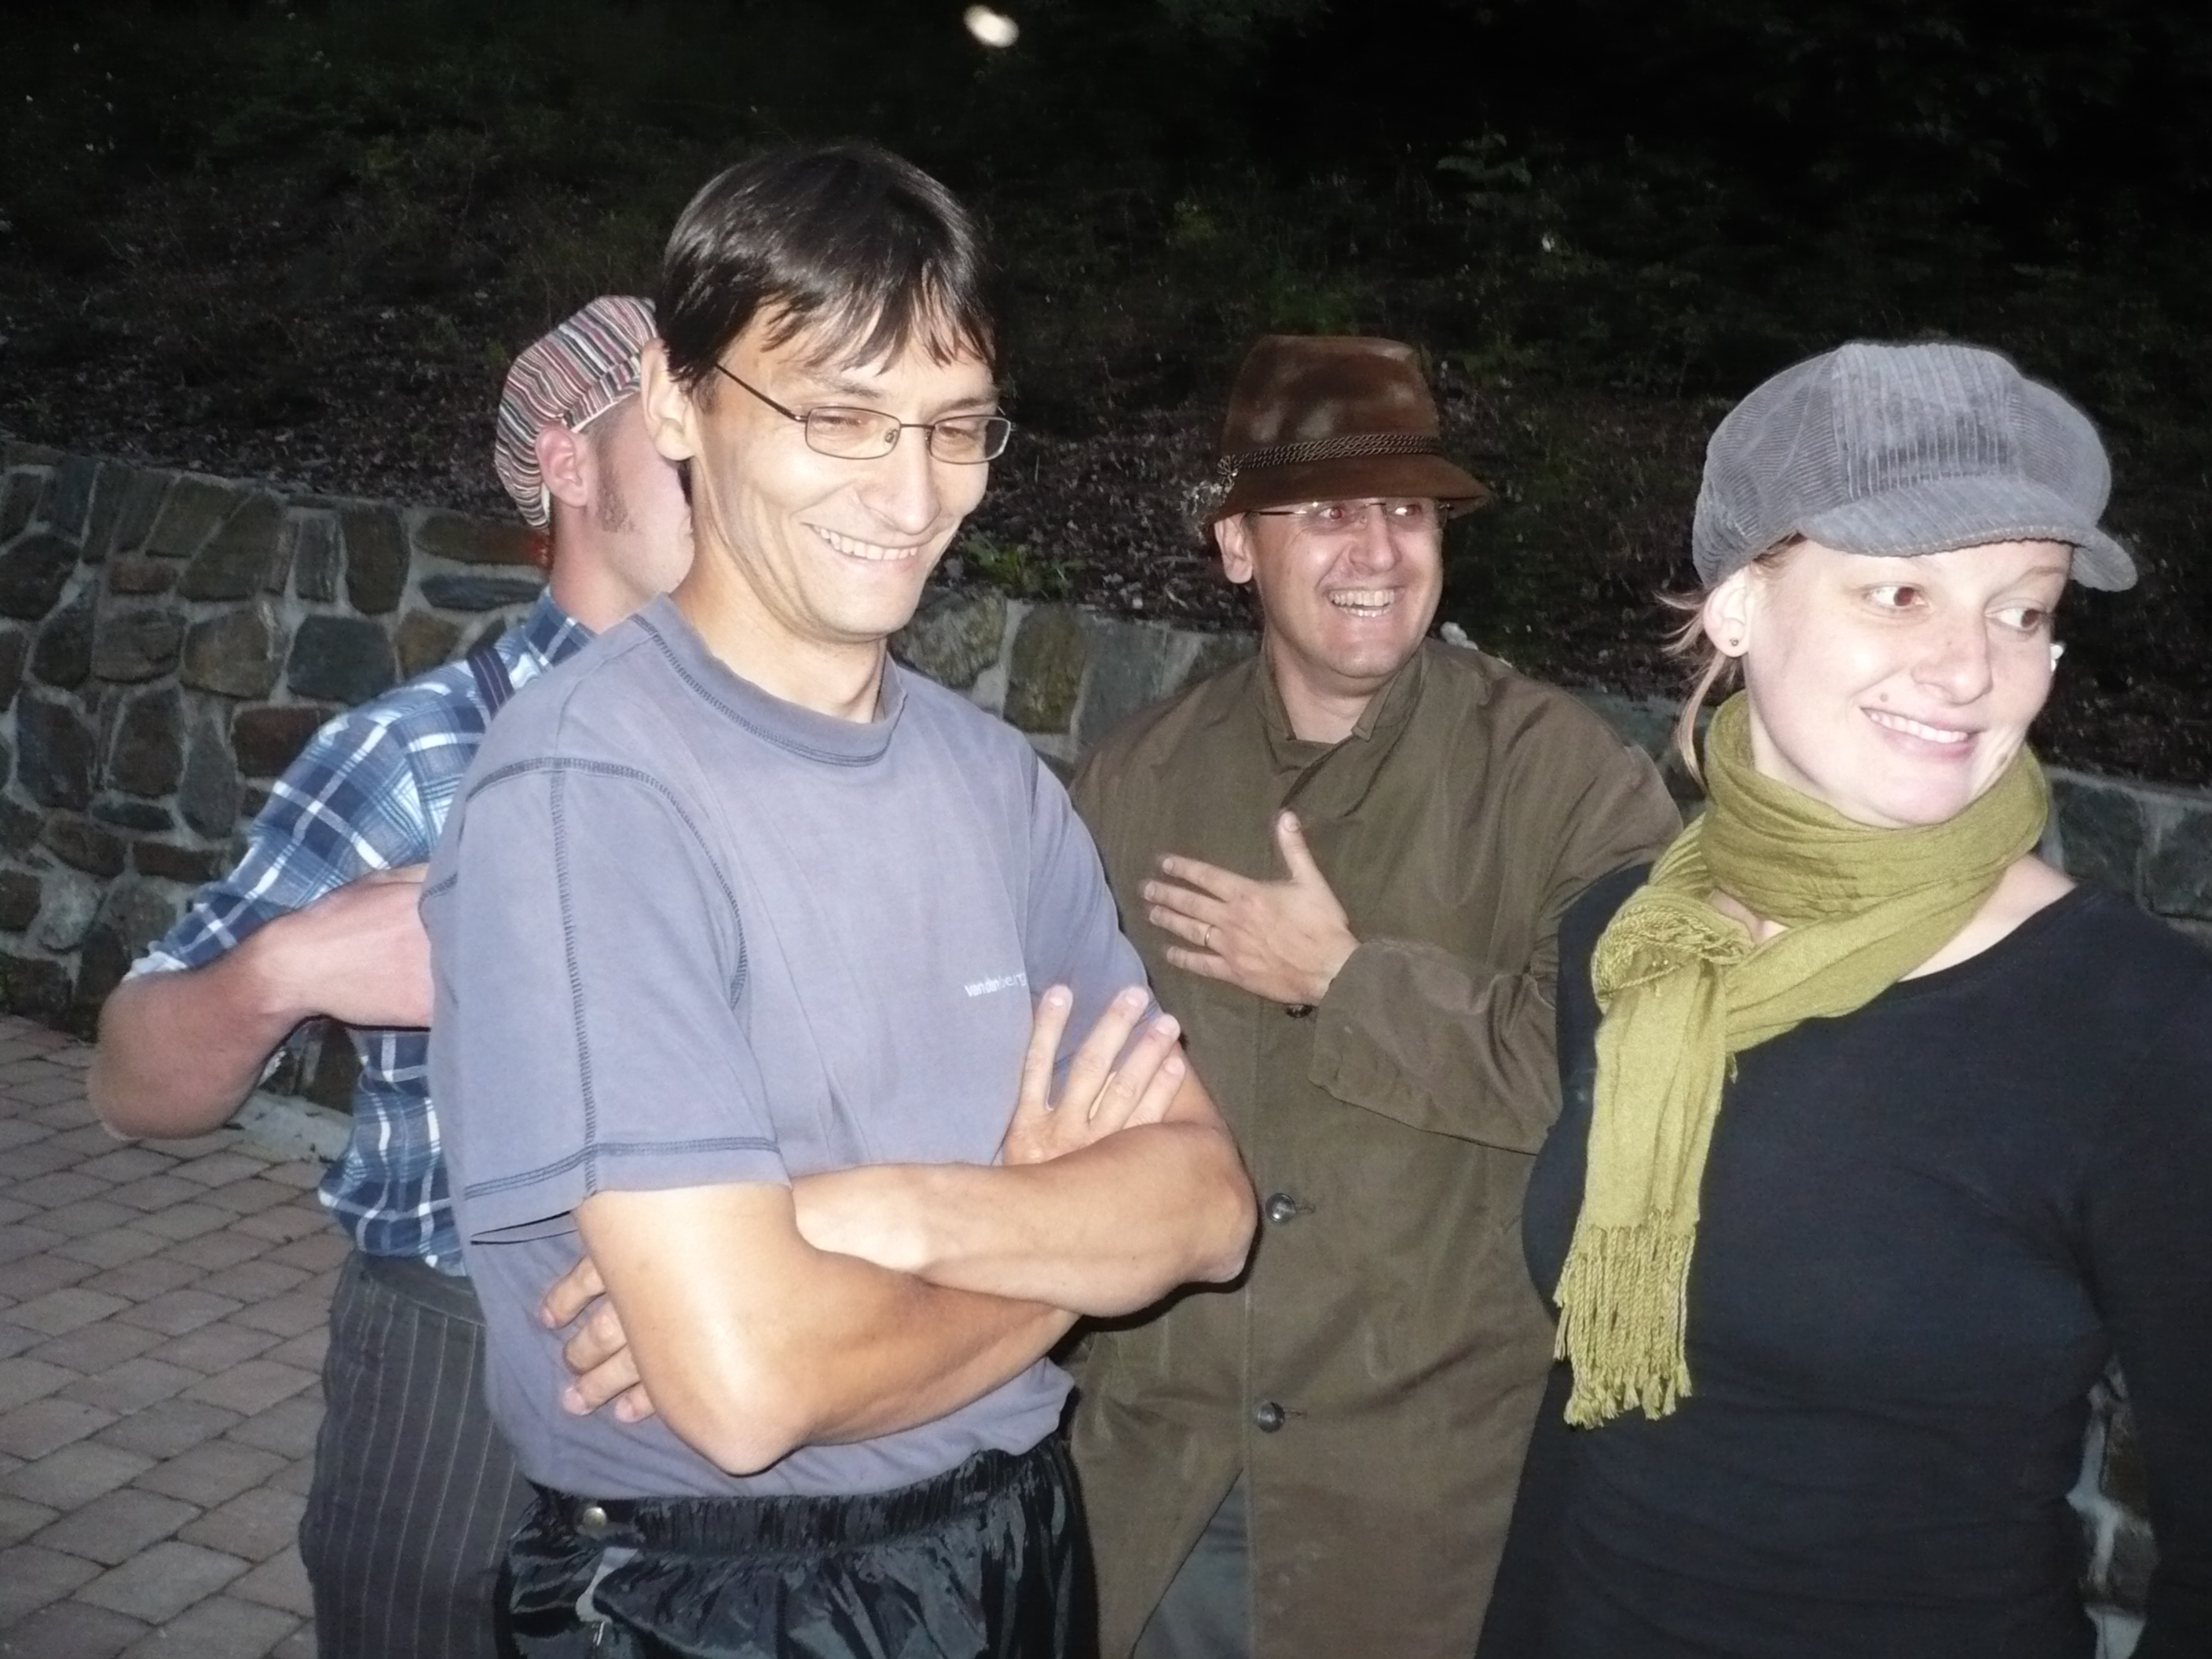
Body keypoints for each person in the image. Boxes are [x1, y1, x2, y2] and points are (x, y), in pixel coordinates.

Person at [422, 143, 1256, 1659]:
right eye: (839, 416)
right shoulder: (589, 790)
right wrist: (1058, 1249)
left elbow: (1207, 1209)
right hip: (716, 1596)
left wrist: (876, 1214)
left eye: (956, 427)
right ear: (678, 401)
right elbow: (750, 1389)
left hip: (1016, 1544)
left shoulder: (994, 782)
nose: (912, 491)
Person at [1476, 340, 2212, 1659]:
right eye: (1898, 592)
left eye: (2023, 610)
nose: (1971, 668)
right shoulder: (1635, 945)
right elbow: (1592, 1429)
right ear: (1737, 605)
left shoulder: (2140, 1029)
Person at [86, 294, 690, 1658]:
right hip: (458, 1369)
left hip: (747, 1348)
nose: (714, 452)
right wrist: (286, 968)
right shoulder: (422, 753)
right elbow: (131, 1083)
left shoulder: (806, 747)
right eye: (670, 427)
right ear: (568, 460)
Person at [1064, 334, 1681, 1659]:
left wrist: (1347, 982)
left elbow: (1632, 1081)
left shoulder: (1568, 783)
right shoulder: (1132, 783)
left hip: (1421, 1523)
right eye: (1328, 512)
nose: (1380, 549)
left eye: (1408, 510)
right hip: (1156, 1493)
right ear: (1238, 546)